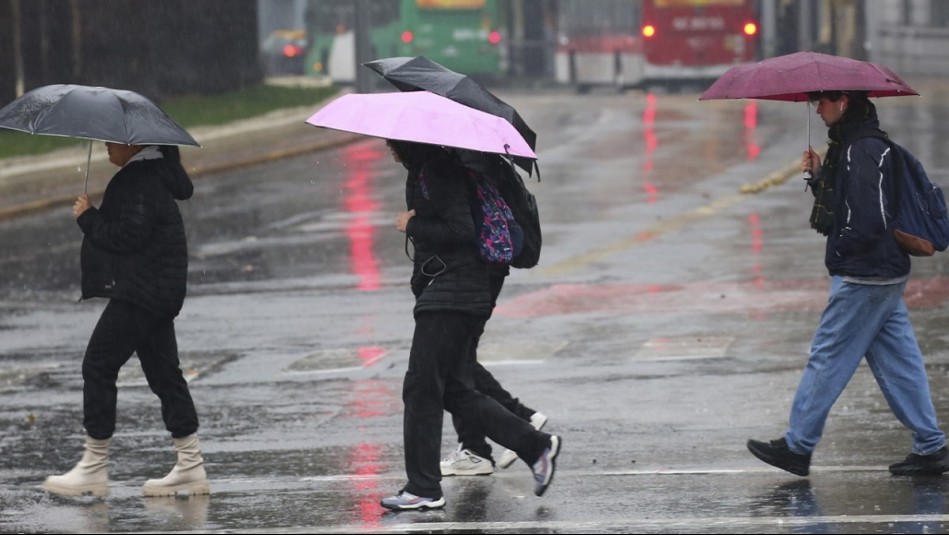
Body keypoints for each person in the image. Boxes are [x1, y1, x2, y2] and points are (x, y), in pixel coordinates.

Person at [747, 90, 949, 477]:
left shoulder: (862, 150)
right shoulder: (856, 147)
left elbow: (868, 216)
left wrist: (845, 244)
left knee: (828, 356)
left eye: (821, 102)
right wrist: (821, 174)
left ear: (843, 102)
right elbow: (854, 200)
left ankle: (798, 445)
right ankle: (931, 446)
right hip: (883, 271)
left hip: (865, 273)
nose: (817, 109)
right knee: (899, 360)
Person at [380, 140, 561, 511]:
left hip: (453, 292)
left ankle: (423, 488)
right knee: (454, 390)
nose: (388, 149)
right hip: (461, 290)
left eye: (390, 143)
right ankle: (534, 445)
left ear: (406, 142)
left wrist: (412, 223)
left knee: (421, 388)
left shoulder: (437, 169)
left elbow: (461, 230)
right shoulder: (434, 166)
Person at [42, 142, 210, 497]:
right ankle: (191, 466)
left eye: (112, 139)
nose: (105, 144)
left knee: (98, 365)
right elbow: (138, 230)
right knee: (165, 375)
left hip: (141, 292)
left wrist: (88, 217)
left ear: (135, 143)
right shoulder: (152, 175)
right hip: (157, 290)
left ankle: (93, 467)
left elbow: (128, 235)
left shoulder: (137, 178)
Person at [439, 152, 548, 477]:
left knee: (455, 362)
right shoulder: (483, 158)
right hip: (488, 270)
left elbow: (460, 226)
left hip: (476, 272)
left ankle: (516, 420)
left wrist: (415, 222)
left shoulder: (459, 162)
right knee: (459, 360)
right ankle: (476, 447)